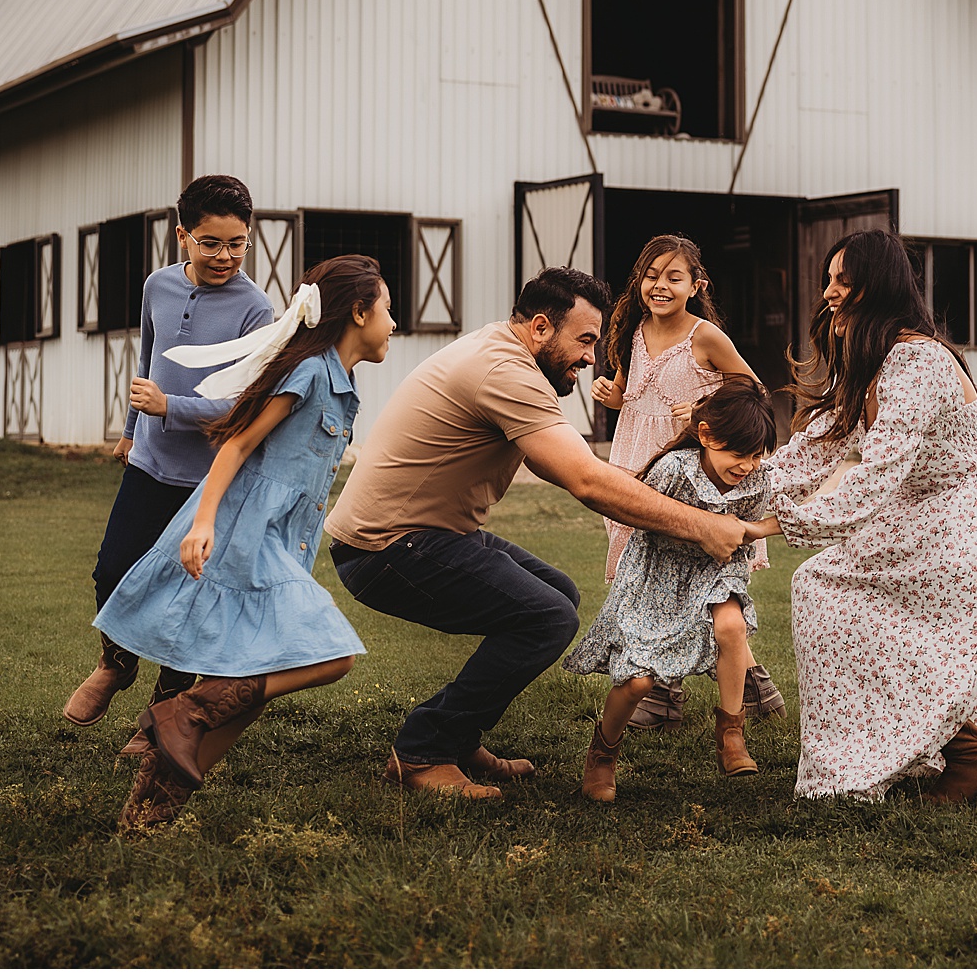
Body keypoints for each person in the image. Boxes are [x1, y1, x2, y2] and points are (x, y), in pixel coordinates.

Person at [325, 266, 754, 801]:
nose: (591, 357)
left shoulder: (502, 353)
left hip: (428, 534)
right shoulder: (504, 371)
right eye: (586, 340)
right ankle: (423, 750)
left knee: (559, 596)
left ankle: (457, 736)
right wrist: (703, 525)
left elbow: (564, 465)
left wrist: (677, 500)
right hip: (387, 547)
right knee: (546, 618)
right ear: (542, 328)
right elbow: (585, 479)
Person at [742, 229, 977, 804]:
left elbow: (879, 473)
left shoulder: (916, 359)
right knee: (828, 591)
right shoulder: (868, 357)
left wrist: (777, 524)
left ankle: (955, 752)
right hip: (929, 508)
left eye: (843, 279)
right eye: (828, 279)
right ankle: (960, 751)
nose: (829, 292)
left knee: (833, 592)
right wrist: (731, 495)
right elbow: (816, 448)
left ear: (877, 284)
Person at [95, 255, 392, 831]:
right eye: (387, 309)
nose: (393, 323)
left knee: (251, 675)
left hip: (285, 540)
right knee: (333, 655)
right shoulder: (307, 372)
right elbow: (233, 445)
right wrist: (202, 523)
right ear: (358, 312)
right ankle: (185, 709)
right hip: (245, 531)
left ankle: (154, 805)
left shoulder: (342, 379)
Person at [63, 175, 274, 747]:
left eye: (237, 243)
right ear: (183, 235)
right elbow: (147, 360)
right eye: (211, 242)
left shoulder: (257, 311)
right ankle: (116, 664)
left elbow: (245, 403)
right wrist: (134, 430)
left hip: (210, 478)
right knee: (113, 569)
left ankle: (165, 706)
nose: (225, 256)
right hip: (149, 463)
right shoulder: (158, 286)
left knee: (188, 592)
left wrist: (169, 407)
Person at [590, 234, 785, 730]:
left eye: (673, 277)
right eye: (651, 276)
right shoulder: (631, 331)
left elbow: (752, 389)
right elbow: (634, 394)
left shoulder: (705, 337)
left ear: (696, 285)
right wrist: (614, 398)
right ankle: (754, 680)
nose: (660, 286)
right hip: (638, 456)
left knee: (688, 567)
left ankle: (663, 693)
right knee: (647, 566)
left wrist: (704, 407)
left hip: (688, 465)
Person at [564, 378, 776, 802]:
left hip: (717, 571)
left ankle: (731, 732)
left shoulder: (757, 479)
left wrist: (744, 530)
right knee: (638, 682)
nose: (747, 466)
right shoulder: (673, 471)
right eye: (738, 454)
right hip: (656, 572)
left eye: (756, 455)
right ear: (706, 435)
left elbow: (764, 524)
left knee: (731, 628)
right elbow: (639, 513)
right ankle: (603, 752)